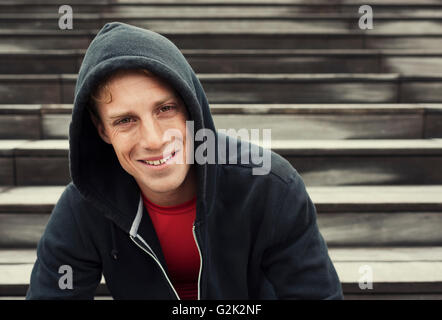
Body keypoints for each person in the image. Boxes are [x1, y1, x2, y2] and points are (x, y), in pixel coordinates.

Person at [26, 22, 343, 300]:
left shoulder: (270, 187)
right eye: (125, 120)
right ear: (103, 131)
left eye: (166, 109)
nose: (153, 139)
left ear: (193, 108)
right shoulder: (83, 207)